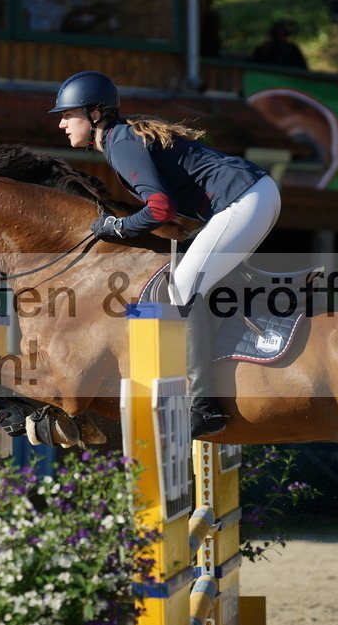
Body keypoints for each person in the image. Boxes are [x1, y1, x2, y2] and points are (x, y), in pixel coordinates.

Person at [49, 71, 282, 439]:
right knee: (193, 271)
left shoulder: (119, 141)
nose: (62, 123)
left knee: (182, 288)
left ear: (95, 114)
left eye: (68, 114)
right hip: (253, 194)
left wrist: (116, 228)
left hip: (243, 199)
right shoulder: (121, 136)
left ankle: (204, 406)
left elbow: (160, 209)